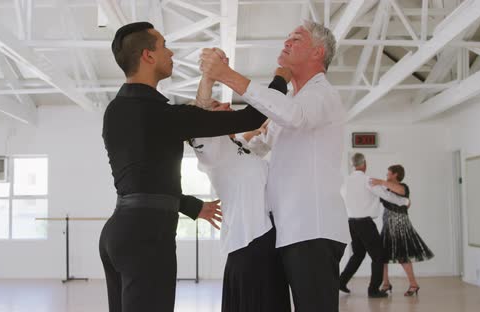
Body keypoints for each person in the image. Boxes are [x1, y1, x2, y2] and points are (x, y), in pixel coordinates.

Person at [100, 22, 275, 312]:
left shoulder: (116, 110)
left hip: (117, 233)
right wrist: (282, 78)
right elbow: (251, 119)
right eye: (164, 45)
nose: (170, 53)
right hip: (148, 237)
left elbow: (144, 180)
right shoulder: (162, 115)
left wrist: (195, 207)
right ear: (148, 56)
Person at [200, 21, 350, 312]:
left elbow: (291, 115)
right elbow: (259, 142)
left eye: (296, 39)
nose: (286, 42)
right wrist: (225, 133)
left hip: (313, 229)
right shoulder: (294, 101)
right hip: (291, 231)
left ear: (318, 52)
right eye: (287, 37)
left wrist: (227, 76)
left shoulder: (322, 95)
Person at [187, 65, 291, 312]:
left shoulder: (234, 148)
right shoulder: (212, 151)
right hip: (249, 245)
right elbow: (197, 120)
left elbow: (251, 143)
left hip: (266, 240)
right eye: (216, 105)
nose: (226, 106)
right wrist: (208, 78)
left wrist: (256, 130)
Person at [338, 153, 410, 298]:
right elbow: (387, 196)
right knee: (378, 256)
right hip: (365, 223)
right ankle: (373, 290)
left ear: (353, 165)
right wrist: (405, 202)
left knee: (358, 254)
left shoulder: (345, 181)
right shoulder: (368, 181)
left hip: (351, 223)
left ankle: (341, 281)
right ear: (364, 164)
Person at [371, 165, 435, 296]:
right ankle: (386, 283)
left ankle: (413, 284)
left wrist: (382, 182)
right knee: (381, 256)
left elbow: (401, 192)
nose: (386, 176)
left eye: (388, 174)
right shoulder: (386, 188)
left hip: (400, 226)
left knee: (403, 256)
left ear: (395, 175)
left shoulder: (403, 186)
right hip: (387, 225)